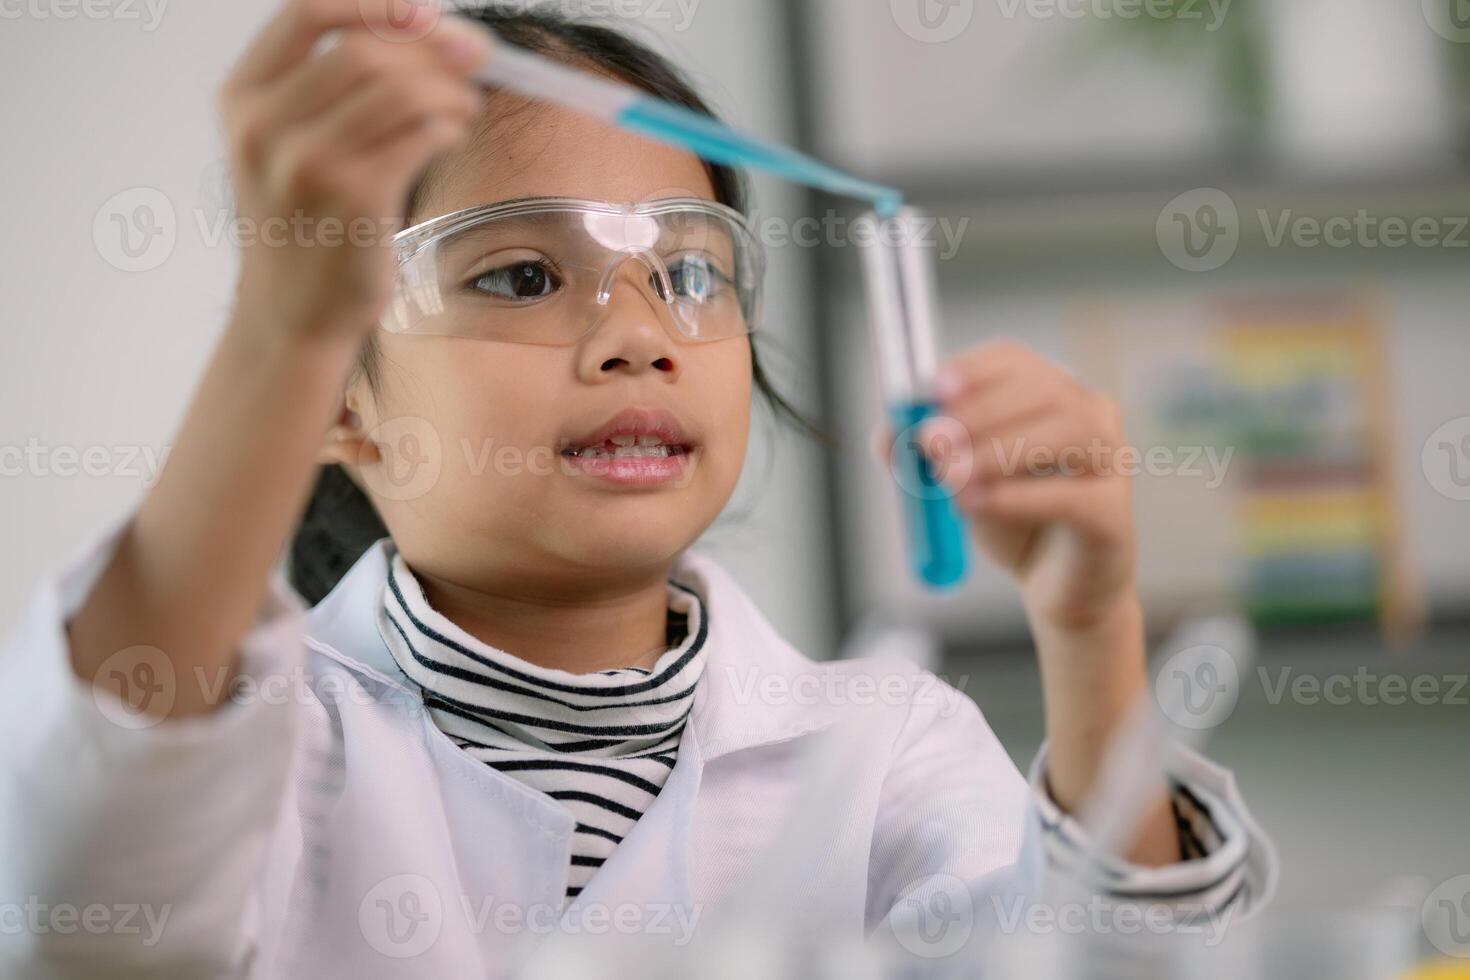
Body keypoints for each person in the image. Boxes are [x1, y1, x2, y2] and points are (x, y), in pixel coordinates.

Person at [0, 2, 1275, 975]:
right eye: (517, 276)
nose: (638, 331)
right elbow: (82, 895)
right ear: (340, 397)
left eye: (690, 271)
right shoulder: (271, 750)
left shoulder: (889, 747)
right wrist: (276, 334)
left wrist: (1090, 624)